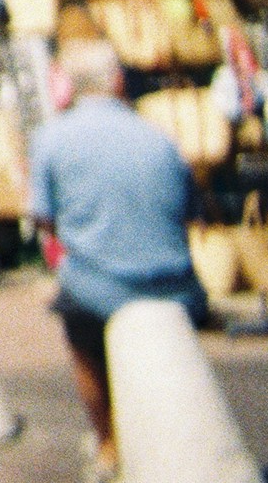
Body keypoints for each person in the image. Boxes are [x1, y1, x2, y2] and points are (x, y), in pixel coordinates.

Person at [27, 36, 206, 482]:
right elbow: (190, 213)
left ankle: (107, 441)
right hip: (177, 285)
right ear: (119, 81)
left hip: (98, 288)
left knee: (79, 330)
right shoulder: (159, 136)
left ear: (69, 87)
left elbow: (45, 220)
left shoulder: (51, 138)